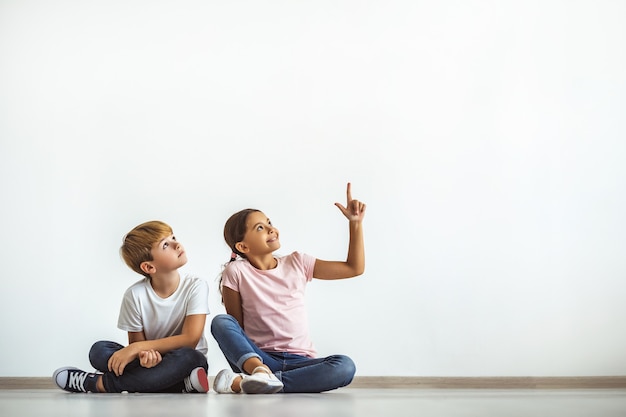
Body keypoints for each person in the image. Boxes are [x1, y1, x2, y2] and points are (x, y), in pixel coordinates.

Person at [211, 182, 365, 394]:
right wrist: (256, 364)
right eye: (260, 228)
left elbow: (353, 268)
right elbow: (237, 328)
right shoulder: (236, 272)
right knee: (221, 322)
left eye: (268, 222)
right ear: (243, 247)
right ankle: (260, 374)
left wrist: (355, 223)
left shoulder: (298, 262)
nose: (271, 228)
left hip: (301, 361)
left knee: (344, 366)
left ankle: (249, 383)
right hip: (256, 359)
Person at [53, 220, 211, 393]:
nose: (177, 244)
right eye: (166, 244)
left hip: (185, 359)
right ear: (149, 267)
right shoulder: (135, 295)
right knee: (99, 351)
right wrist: (144, 356)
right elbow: (136, 344)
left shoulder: (196, 286)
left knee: (190, 356)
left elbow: (190, 339)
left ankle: (96, 383)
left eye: (173, 237)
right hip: (151, 361)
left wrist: (137, 349)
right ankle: (180, 384)